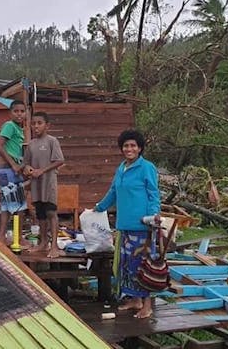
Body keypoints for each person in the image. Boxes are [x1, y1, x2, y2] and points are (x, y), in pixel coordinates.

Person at [94, 129, 161, 319]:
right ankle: (134, 300)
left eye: (133, 145)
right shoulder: (121, 168)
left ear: (140, 148)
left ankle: (147, 306)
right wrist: (98, 207)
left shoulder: (146, 167)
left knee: (143, 266)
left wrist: (153, 216)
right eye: (126, 146)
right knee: (126, 266)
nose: (129, 149)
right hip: (124, 225)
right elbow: (113, 192)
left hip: (142, 226)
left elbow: (153, 193)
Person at [23, 112, 65, 258]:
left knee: (51, 213)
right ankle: (43, 243)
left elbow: (59, 161)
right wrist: (28, 169)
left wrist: (42, 170)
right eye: (33, 123)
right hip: (36, 185)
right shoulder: (30, 145)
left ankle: (54, 246)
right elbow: (25, 164)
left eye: (39, 123)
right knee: (40, 214)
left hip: (48, 183)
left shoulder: (52, 141)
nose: (36, 126)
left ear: (47, 125)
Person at [0, 100, 28, 242]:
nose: (19, 114)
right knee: (19, 206)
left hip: (2, 172)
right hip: (7, 171)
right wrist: (14, 164)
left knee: (6, 207)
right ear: (10, 113)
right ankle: (18, 239)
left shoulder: (20, 129)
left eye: (22, 111)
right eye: (16, 111)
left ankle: (2, 238)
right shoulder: (10, 126)